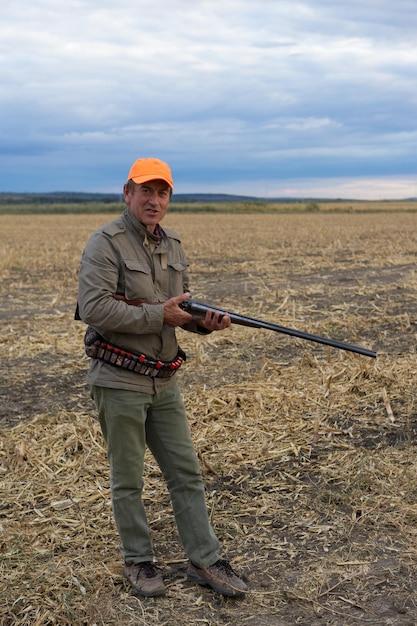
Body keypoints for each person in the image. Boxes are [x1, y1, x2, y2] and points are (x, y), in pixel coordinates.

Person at [76, 157, 248, 598]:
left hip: (163, 380)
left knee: (186, 472)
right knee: (128, 478)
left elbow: (180, 310)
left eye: (163, 192)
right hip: (119, 380)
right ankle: (138, 561)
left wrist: (203, 323)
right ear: (127, 192)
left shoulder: (172, 244)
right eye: (146, 191)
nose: (155, 201)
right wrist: (160, 314)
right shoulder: (106, 243)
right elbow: (93, 309)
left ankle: (204, 560)